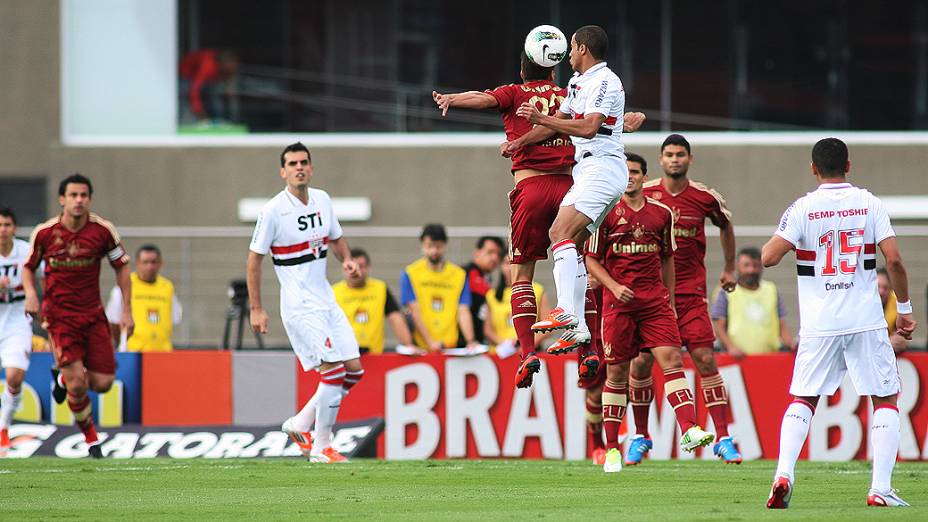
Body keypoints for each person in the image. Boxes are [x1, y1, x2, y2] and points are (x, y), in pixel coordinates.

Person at [433, 45, 645, 389]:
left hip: (530, 189)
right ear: (552, 71)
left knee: (522, 272)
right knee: (574, 262)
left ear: (522, 71)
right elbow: (600, 122)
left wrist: (451, 100)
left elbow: (483, 99)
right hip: (570, 186)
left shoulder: (514, 93)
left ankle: (528, 353)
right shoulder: (568, 93)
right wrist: (630, 122)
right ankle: (589, 350)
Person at [762, 138, 916, 509]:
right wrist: (906, 309)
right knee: (885, 398)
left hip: (819, 322)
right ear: (848, 165)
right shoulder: (869, 203)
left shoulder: (802, 208)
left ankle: (783, 474)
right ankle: (880, 488)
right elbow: (893, 261)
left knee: (804, 398)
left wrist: (801, 243)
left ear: (813, 168)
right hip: (865, 320)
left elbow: (767, 257)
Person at [586, 152, 715, 472]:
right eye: (625, 172)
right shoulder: (606, 213)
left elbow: (669, 258)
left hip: (655, 304)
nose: (629, 177)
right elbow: (590, 259)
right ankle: (613, 447)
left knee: (672, 361)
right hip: (619, 307)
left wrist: (669, 299)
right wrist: (613, 287)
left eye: (635, 172)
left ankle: (689, 430)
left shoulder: (661, 214)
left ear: (645, 176)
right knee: (617, 374)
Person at [514, 26, 633, 361]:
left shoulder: (605, 81)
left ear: (582, 48)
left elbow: (589, 127)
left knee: (558, 232)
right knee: (572, 244)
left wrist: (537, 115)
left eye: (571, 48)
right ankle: (578, 326)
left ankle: (566, 308)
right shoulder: (577, 83)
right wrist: (520, 142)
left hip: (603, 168)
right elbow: (557, 121)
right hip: (588, 172)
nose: (567, 54)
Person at [627, 133, 742, 465]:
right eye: (668, 154)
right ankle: (640, 435)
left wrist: (730, 267)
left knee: (705, 359)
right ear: (660, 160)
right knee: (641, 363)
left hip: (691, 294)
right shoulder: (644, 194)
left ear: (689, 159)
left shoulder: (704, 197)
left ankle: (723, 437)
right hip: (651, 298)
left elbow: (726, 224)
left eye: (680, 154)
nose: (674, 159)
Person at [247, 142, 362, 464]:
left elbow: (336, 237)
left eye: (304, 162)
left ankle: (300, 424)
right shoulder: (272, 211)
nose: (299, 167)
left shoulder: (323, 199)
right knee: (334, 372)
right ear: (283, 172)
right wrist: (256, 308)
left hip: (326, 299)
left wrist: (348, 260)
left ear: (311, 168)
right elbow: (253, 260)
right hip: (299, 305)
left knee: (353, 370)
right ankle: (321, 447)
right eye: (292, 163)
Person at [23, 174, 133, 459]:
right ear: (62, 199)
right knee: (77, 383)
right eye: (73, 195)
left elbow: (121, 267)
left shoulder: (103, 231)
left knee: (103, 383)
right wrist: (31, 294)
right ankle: (92, 440)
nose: (79, 200)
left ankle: (60, 380)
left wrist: (126, 310)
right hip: (59, 318)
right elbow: (28, 267)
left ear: (90, 199)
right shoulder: (45, 233)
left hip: (93, 316)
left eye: (84, 195)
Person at [400, 224, 478, 351]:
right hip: (421, 348)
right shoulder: (410, 273)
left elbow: (463, 311)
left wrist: (470, 341)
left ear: (445, 246)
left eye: (438, 246)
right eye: (429, 246)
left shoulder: (459, 275)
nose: (434, 251)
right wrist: (430, 342)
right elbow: (414, 311)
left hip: (450, 346)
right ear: (422, 246)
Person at [710, 247, 796, 357]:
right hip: (737, 360)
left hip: (770, 358)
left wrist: (791, 344)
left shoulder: (771, 289)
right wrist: (730, 347)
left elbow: (781, 324)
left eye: (755, 266)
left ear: (761, 267)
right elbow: (718, 325)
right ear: (737, 267)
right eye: (746, 265)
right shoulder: (726, 290)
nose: (751, 270)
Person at [333, 248, 414, 354]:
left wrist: (408, 345)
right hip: (345, 357)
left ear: (368, 267)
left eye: (361, 266)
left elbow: (395, 318)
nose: (356, 271)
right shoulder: (334, 292)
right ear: (344, 268)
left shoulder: (380, 289)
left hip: (374, 356)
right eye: (351, 267)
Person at [105, 244, 182, 352]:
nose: (150, 267)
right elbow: (113, 320)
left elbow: (175, 318)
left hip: (162, 352)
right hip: (133, 352)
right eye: (145, 262)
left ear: (161, 264)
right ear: (137, 263)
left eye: (154, 262)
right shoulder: (125, 286)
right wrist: (121, 343)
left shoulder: (167, 287)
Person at [0, 208, 33, 454]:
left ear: (15, 228)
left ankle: (3, 428)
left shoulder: (26, 251)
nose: (3, 230)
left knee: (14, 376)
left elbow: (45, 276)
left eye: (7, 225)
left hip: (17, 317)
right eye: (0, 225)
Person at [483, 255, 549, 356]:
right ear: (500, 266)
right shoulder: (491, 295)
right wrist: (507, 345)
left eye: (515, 263)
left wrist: (526, 346)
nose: (511, 268)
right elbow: (488, 330)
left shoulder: (538, 290)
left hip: (529, 352)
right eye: (507, 263)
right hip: (501, 354)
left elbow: (547, 326)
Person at [464, 236, 505, 344]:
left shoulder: (487, 278)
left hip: (478, 342)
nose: (495, 258)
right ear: (477, 253)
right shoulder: (465, 273)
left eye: (498, 254)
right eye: (490, 252)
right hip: (465, 344)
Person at [179, 49, 239, 121]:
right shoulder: (207, 65)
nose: (233, 68)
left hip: (207, 77)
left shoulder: (224, 67)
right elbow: (194, 90)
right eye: (230, 66)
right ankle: (187, 120)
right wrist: (199, 111)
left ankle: (219, 119)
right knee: (185, 95)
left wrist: (228, 88)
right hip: (185, 74)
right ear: (223, 63)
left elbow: (227, 82)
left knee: (216, 96)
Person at [877, 268, 908, 353]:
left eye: (885, 288)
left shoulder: (896, 303)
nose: (881, 291)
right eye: (878, 286)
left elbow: (903, 337)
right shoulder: (861, 304)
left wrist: (899, 340)